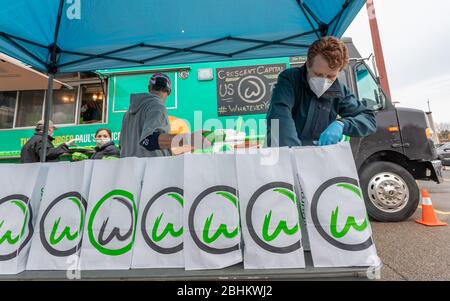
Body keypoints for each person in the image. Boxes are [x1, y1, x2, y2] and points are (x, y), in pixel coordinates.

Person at [266, 36, 376, 147]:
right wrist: (293, 152)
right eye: (318, 74)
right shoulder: (290, 79)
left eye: (330, 76)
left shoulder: (339, 91)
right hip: (284, 153)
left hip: (318, 156)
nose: (324, 81)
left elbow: (368, 119)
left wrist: (342, 124)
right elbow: (278, 116)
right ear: (308, 65)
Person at [120, 73, 208, 158]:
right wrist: (189, 139)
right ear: (169, 91)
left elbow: (124, 146)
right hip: (150, 169)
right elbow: (149, 141)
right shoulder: (157, 107)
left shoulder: (127, 113)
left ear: (149, 88)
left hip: (129, 169)